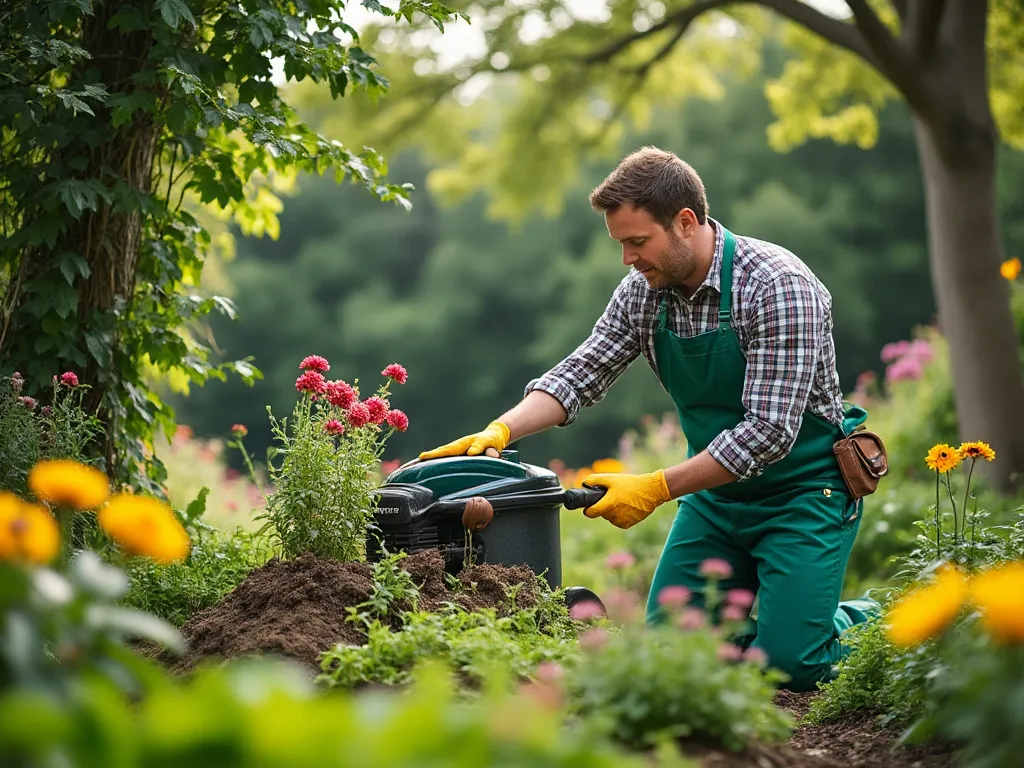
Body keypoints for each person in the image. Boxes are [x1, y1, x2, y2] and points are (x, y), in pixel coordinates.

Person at [418, 146, 878, 691]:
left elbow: (769, 433)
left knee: (793, 668)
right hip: (717, 499)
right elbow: (583, 371)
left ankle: (873, 621)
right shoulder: (646, 291)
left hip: (803, 492)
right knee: (672, 650)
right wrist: (502, 429)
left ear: (686, 222)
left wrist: (656, 487)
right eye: (621, 244)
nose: (628, 259)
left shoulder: (778, 285)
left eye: (638, 242)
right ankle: (773, 637)